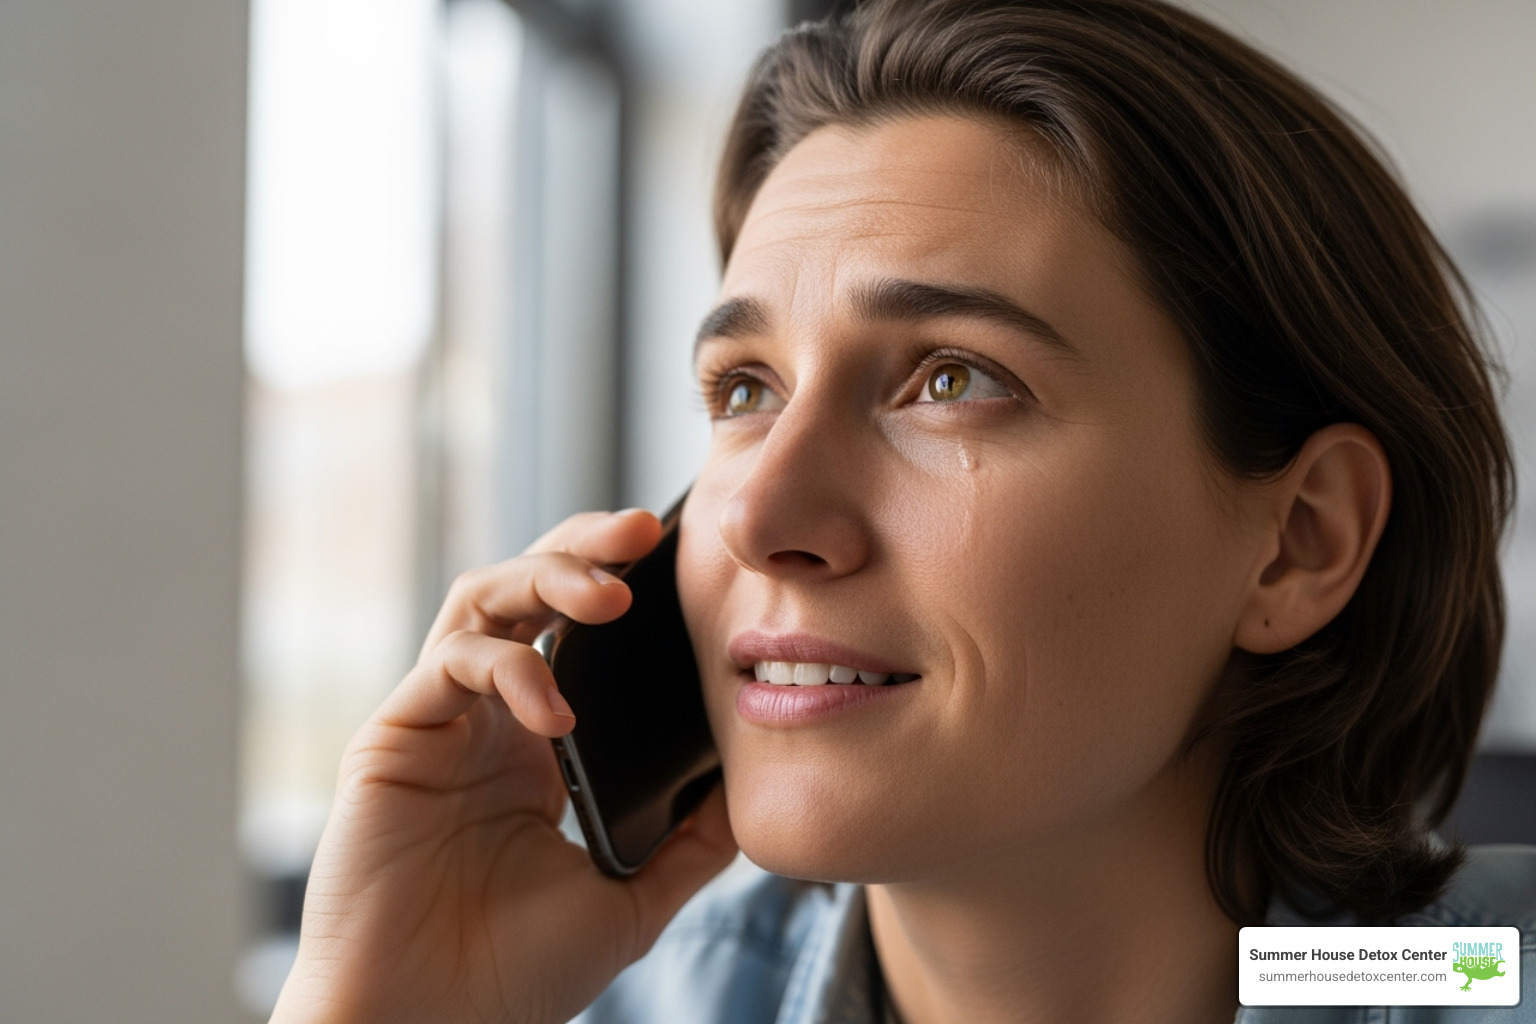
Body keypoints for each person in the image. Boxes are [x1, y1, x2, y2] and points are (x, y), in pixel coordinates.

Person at [270, 1, 1534, 1022]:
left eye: (952, 380)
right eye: (744, 388)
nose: (757, 510)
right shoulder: (605, 997)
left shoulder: (1469, 979)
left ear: (1299, 540)